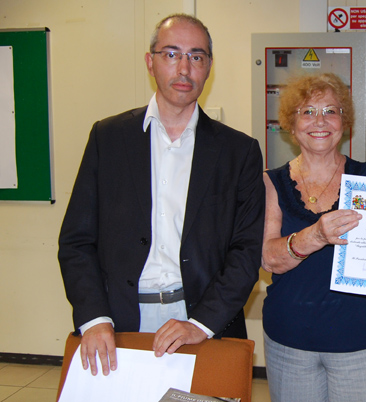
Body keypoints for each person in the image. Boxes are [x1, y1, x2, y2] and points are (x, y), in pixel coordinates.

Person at [58, 14, 264, 376]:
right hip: (118, 323)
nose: (184, 68)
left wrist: (201, 324)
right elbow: (77, 241)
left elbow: (246, 252)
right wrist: (94, 317)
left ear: (209, 66)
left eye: (196, 56)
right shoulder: (108, 138)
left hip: (203, 324)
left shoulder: (238, 151)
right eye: (171, 54)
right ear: (150, 62)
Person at [261, 73, 366, 402]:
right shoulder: (270, 182)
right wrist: (316, 235)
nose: (319, 121)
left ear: (344, 122)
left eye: (330, 111)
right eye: (307, 112)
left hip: (364, 343)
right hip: (290, 344)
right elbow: (268, 259)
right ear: (291, 124)